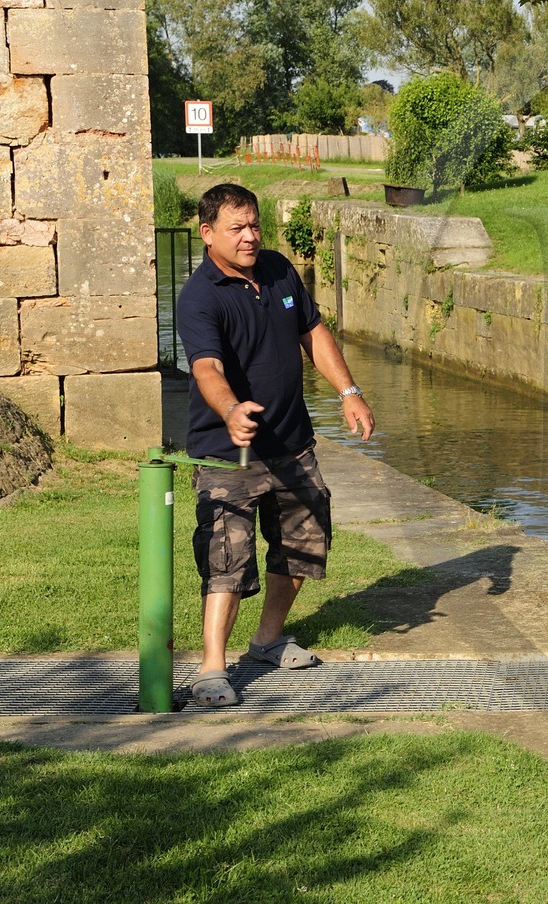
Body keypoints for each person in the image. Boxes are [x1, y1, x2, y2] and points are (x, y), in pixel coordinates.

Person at [176, 183, 375, 707]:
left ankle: (266, 642)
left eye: (254, 225)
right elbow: (206, 367)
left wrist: (349, 392)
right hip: (229, 453)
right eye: (236, 228)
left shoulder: (279, 269)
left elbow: (313, 331)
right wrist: (230, 408)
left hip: (293, 442)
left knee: (304, 541)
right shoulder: (200, 296)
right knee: (227, 556)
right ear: (207, 233)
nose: (249, 237)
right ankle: (212, 669)